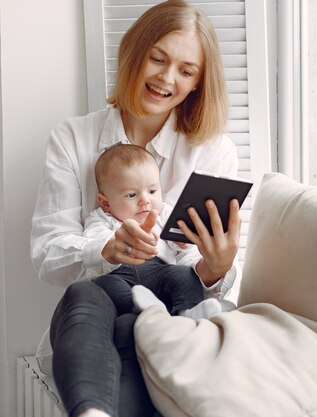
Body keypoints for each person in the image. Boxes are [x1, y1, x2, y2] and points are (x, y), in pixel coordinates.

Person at [30, 1, 240, 416]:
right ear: (132, 55)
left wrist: (217, 267)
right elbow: (47, 256)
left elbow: (198, 263)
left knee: (143, 326)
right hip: (96, 312)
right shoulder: (72, 139)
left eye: (186, 70)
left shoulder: (213, 151)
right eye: (157, 59)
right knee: (89, 297)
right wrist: (104, 251)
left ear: (199, 82)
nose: (166, 79)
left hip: (172, 313)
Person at [88, 143, 235, 319]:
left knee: (184, 275)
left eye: (152, 191)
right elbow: (95, 245)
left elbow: (180, 243)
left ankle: (190, 311)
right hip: (120, 275)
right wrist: (112, 245)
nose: (145, 201)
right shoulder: (100, 219)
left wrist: (183, 243)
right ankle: (144, 310)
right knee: (103, 285)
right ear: (105, 203)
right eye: (131, 195)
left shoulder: (163, 213)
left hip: (161, 271)